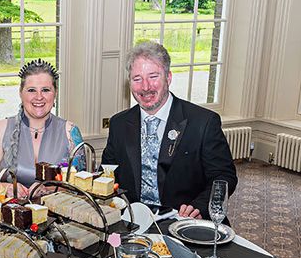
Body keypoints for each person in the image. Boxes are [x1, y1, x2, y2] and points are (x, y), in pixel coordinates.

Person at [101, 41, 237, 219]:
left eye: (153, 76)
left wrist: (198, 207)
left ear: (169, 78)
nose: (145, 87)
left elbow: (223, 177)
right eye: (137, 79)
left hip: (185, 221)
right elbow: (108, 173)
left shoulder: (203, 122)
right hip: (134, 221)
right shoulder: (119, 123)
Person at [0, 59, 85, 198]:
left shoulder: (70, 132)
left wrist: (50, 189)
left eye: (46, 90)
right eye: (31, 90)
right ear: (21, 93)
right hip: (9, 215)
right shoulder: (1, 129)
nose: (39, 97)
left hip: (59, 217)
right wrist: (4, 188)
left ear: (55, 93)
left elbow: (82, 186)